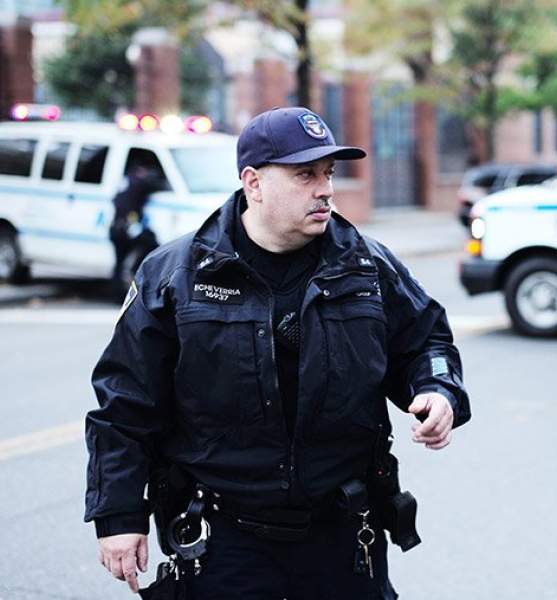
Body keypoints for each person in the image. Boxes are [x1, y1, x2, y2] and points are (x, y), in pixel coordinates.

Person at [85, 106, 471, 598]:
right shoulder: (176, 276)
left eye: (328, 173)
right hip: (224, 537)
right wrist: (119, 514)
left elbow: (426, 341)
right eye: (305, 175)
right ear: (254, 183)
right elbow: (125, 400)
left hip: (343, 530)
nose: (325, 189)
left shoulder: (366, 266)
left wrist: (437, 389)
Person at [109, 161, 166, 296]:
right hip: (124, 228)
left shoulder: (127, 181)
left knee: (120, 262)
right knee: (151, 244)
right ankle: (122, 289)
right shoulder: (139, 183)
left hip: (118, 227)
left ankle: (118, 291)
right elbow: (157, 185)